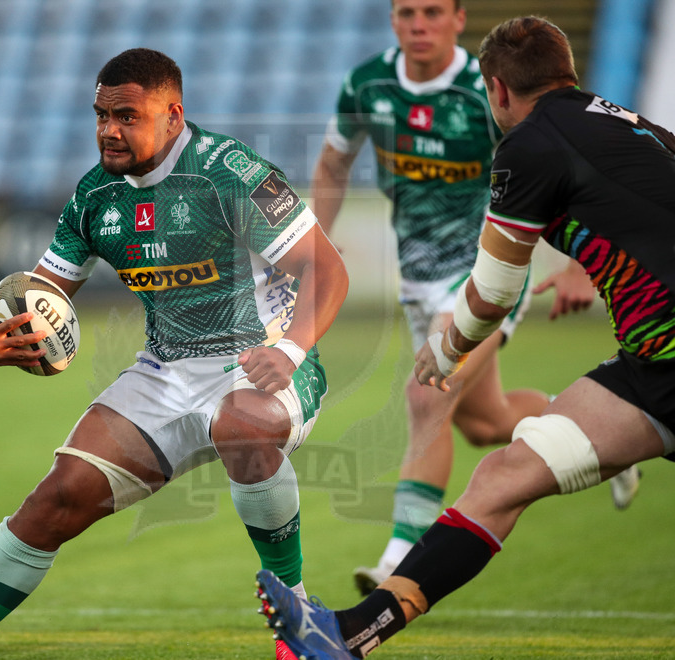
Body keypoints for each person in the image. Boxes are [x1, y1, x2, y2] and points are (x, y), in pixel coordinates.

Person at [0, 48, 348, 660]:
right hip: (164, 373)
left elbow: (326, 267)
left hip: (260, 361)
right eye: (101, 114)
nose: (109, 129)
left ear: (172, 114)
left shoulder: (230, 171)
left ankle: (299, 624)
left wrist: (292, 349)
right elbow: (39, 301)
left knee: (241, 425)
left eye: (127, 115)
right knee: (56, 498)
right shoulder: (93, 197)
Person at [254, 15, 675, 659]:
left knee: (433, 400)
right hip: (653, 367)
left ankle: (392, 554)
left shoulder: (529, 144)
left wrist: (446, 348)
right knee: (502, 469)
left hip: (658, 354)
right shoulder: (630, 122)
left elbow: (494, 292)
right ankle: (345, 638)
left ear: (497, 90)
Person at [311, 0, 627, 595]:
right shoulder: (367, 84)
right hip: (419, 279)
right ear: (393, 21)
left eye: (432, 11)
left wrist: (586, 263)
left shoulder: (487, 91)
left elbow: (565, 164)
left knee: (426, 392)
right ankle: (601, 430)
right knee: (487, 422)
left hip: (488, 272)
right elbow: (331, 163)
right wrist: (318, 244)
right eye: (406, 12)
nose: (418, 24)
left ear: (459, 19)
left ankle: (399, 559)